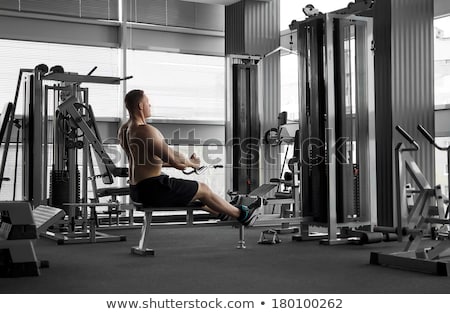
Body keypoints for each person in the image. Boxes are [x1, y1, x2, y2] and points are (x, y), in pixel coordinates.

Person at [118, 89, 259, 226]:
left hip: (137, 191)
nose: (150, 105)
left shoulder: (125, 130)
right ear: (140, 106)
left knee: (192, 192)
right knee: (203, 189)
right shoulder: (145, 130)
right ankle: (243, 215)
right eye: (148, 102)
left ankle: (224, 212)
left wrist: (180, 164)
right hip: (153, 189)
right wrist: (192, 163)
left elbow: (147, 161)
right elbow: (175, 159)